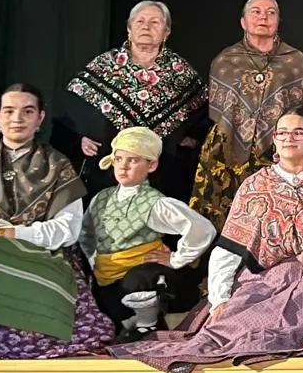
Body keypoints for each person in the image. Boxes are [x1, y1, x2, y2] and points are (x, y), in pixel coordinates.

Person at [111, 111, 303, 373]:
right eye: (282, 133)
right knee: (234, 330)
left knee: (298, 331)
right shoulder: (254, 185)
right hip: (261, 280)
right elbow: (228, 248)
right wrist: (219, 299)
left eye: (298, 132)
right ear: (274, 139)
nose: (290, 138)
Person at [0, 84, 114, 362]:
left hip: (40, 254)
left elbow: (67, 231)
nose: (17, 119)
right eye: (9, 111)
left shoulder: (59, 166)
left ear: (40, 119)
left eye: (27, 111)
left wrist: (7, 233)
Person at [188, 0, 303, 232]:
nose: (263, 17)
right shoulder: (225, 60)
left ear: (278, 21)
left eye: (271, 12)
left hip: (278, 148)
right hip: (226, 151)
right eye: (256, 12)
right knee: (222, 219)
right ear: (243, 21)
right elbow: (219, 107)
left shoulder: (295, 61)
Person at [64, 0, 208, 201]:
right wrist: (80, 138)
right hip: (108, 169)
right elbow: (72, 109)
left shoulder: (181, 72)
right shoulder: (105, 64)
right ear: (129, 29)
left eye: (155, 22)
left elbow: (203, 114)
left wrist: (189, 139)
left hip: (161, 173)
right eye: (140, 21)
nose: (146, 27)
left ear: (166, 32)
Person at [80, 127, 214, 340]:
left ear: (151, 165)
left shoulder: (155, 202)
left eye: (133, 160)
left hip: (141, 273)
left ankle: (148, 324)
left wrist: (176, 259)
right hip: (106, 275)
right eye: (119, 159)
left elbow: (202, 228)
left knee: (138, 282)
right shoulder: (101, 198)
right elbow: (86, 234)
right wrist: (94, 259)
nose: (123, 167)